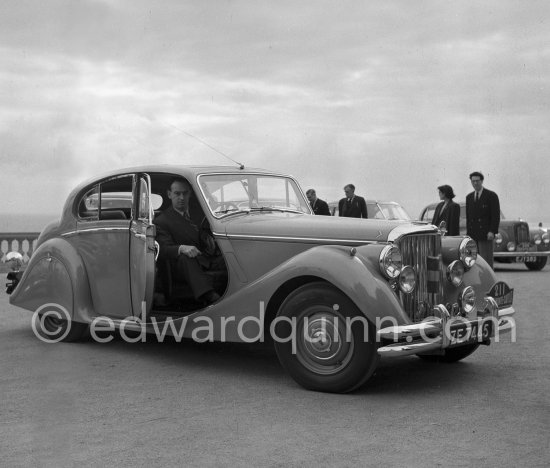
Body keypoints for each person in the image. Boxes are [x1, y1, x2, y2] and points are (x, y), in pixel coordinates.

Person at [154, 177, 220, 305]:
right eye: (177, 194)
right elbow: (162, 249)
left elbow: (203, 234)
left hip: (205, 258)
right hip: (181, 265)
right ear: (169, 194)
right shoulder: (162, 221)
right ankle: (209, 296)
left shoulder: (201, 214)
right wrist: (181, 248)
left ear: (190, 194)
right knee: (185, 257)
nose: (182, 198)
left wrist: (212, 243)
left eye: (185, 193)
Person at [465, 171, 500, 268]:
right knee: (474, 261)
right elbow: (469, 218)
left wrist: (492, 231)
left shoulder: (491, 196)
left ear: (482, 181)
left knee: (486, 261)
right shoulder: (469, 197)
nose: (475, 183)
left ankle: (488, 282)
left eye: (477, 181)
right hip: (473, 234)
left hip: (486, 234)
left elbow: (495, 216)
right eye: (473, 181)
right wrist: (468, 234)